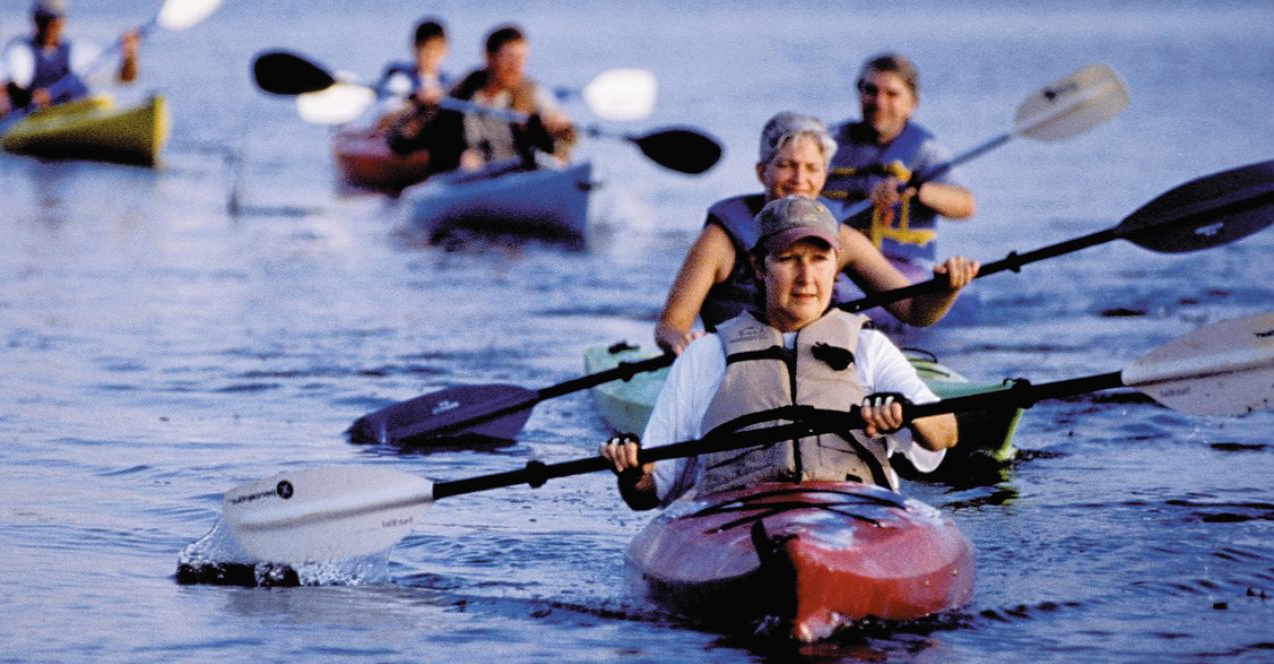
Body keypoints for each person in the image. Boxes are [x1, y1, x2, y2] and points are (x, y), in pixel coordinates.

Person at [602, 196, 959, 509]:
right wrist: (632, 473)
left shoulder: (869, 347)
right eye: (789, 259)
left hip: (852, 515)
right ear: (759, 267)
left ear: (835, 266)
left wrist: (907, 413)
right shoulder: (706, 355)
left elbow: (946, 432)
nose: (806, 277)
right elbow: (648, 493)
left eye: (819, 259)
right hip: (735, 516)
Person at [653, 112, 980, 355]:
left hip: (811, 371)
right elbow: (669, 326)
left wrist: (947, 288)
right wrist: (682, 343)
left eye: (812, 168)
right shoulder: (721, 239)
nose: (800, 179)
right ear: (762, 172)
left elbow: (915, 311)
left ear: (824, 176)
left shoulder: (843, 238)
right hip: (735, 365)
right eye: (786, 165)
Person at [822, 53, 976, 269]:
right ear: (859, 92)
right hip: (839, 262)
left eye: (892, 94)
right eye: (871, 91)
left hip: (903, 266)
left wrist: (914, 189)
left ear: (911, 103)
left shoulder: (925, 151)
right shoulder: (827, 142)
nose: (879, 102)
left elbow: (965, 205)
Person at [388, 24, 577, 175]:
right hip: (464, 180)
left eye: (522, 58)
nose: (517, 66)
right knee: (467, 161)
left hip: (515, 177)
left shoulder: (534, 95)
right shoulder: (457, 97)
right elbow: (399, 143)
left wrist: (563, 131)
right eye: (510, 58)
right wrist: (421, 111)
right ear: (488, 57)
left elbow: (564, 140)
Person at [4, 0, 140, 108]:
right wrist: (31, 97)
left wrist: (129, 55)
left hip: (76, 113)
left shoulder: (78, 50)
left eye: (54, 21)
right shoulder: (20, 51)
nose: (50, 27)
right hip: (38, 118)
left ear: (62, 22)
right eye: (45, 21)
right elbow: (14, 89)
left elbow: (126, 79)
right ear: (35, 20)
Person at [376, 18, 448, 104]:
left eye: (435, 48)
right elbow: (385, 110)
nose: (430, 54)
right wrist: (414, 100)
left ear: (445, 50)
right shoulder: (399, 81)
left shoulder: (449, 83)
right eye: (425, 48)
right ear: (414, 48)